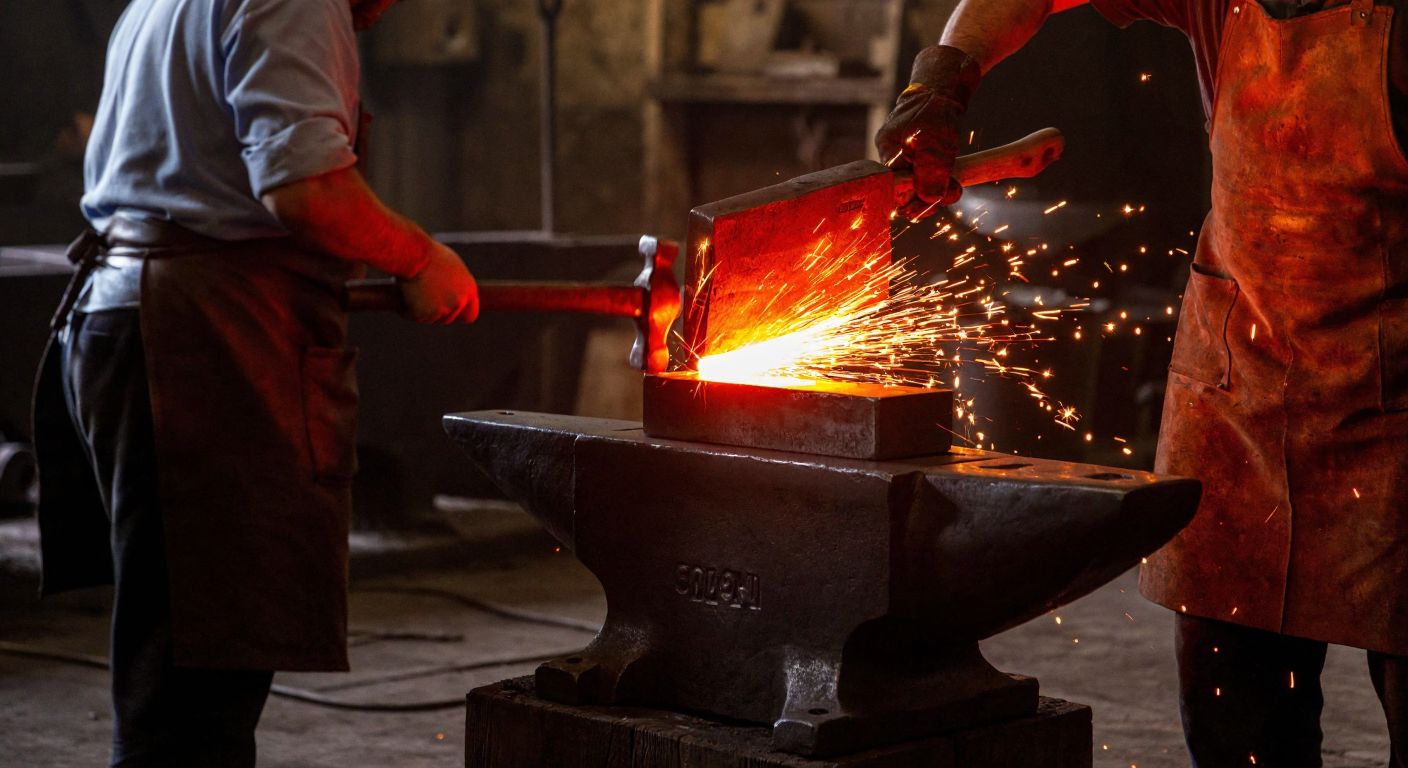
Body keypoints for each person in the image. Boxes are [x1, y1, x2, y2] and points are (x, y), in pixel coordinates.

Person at [878, 0, 1408, 763]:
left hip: (1391, 414)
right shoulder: (1224, 7)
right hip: (1240, 399)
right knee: (1235, 722)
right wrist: (943, 80)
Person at [31, 0, 479, 765]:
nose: (386, 10)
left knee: (180, 662)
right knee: (193, 696)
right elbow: (305, 188)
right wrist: (418, 257)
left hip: (129, 313)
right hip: (200, 345)